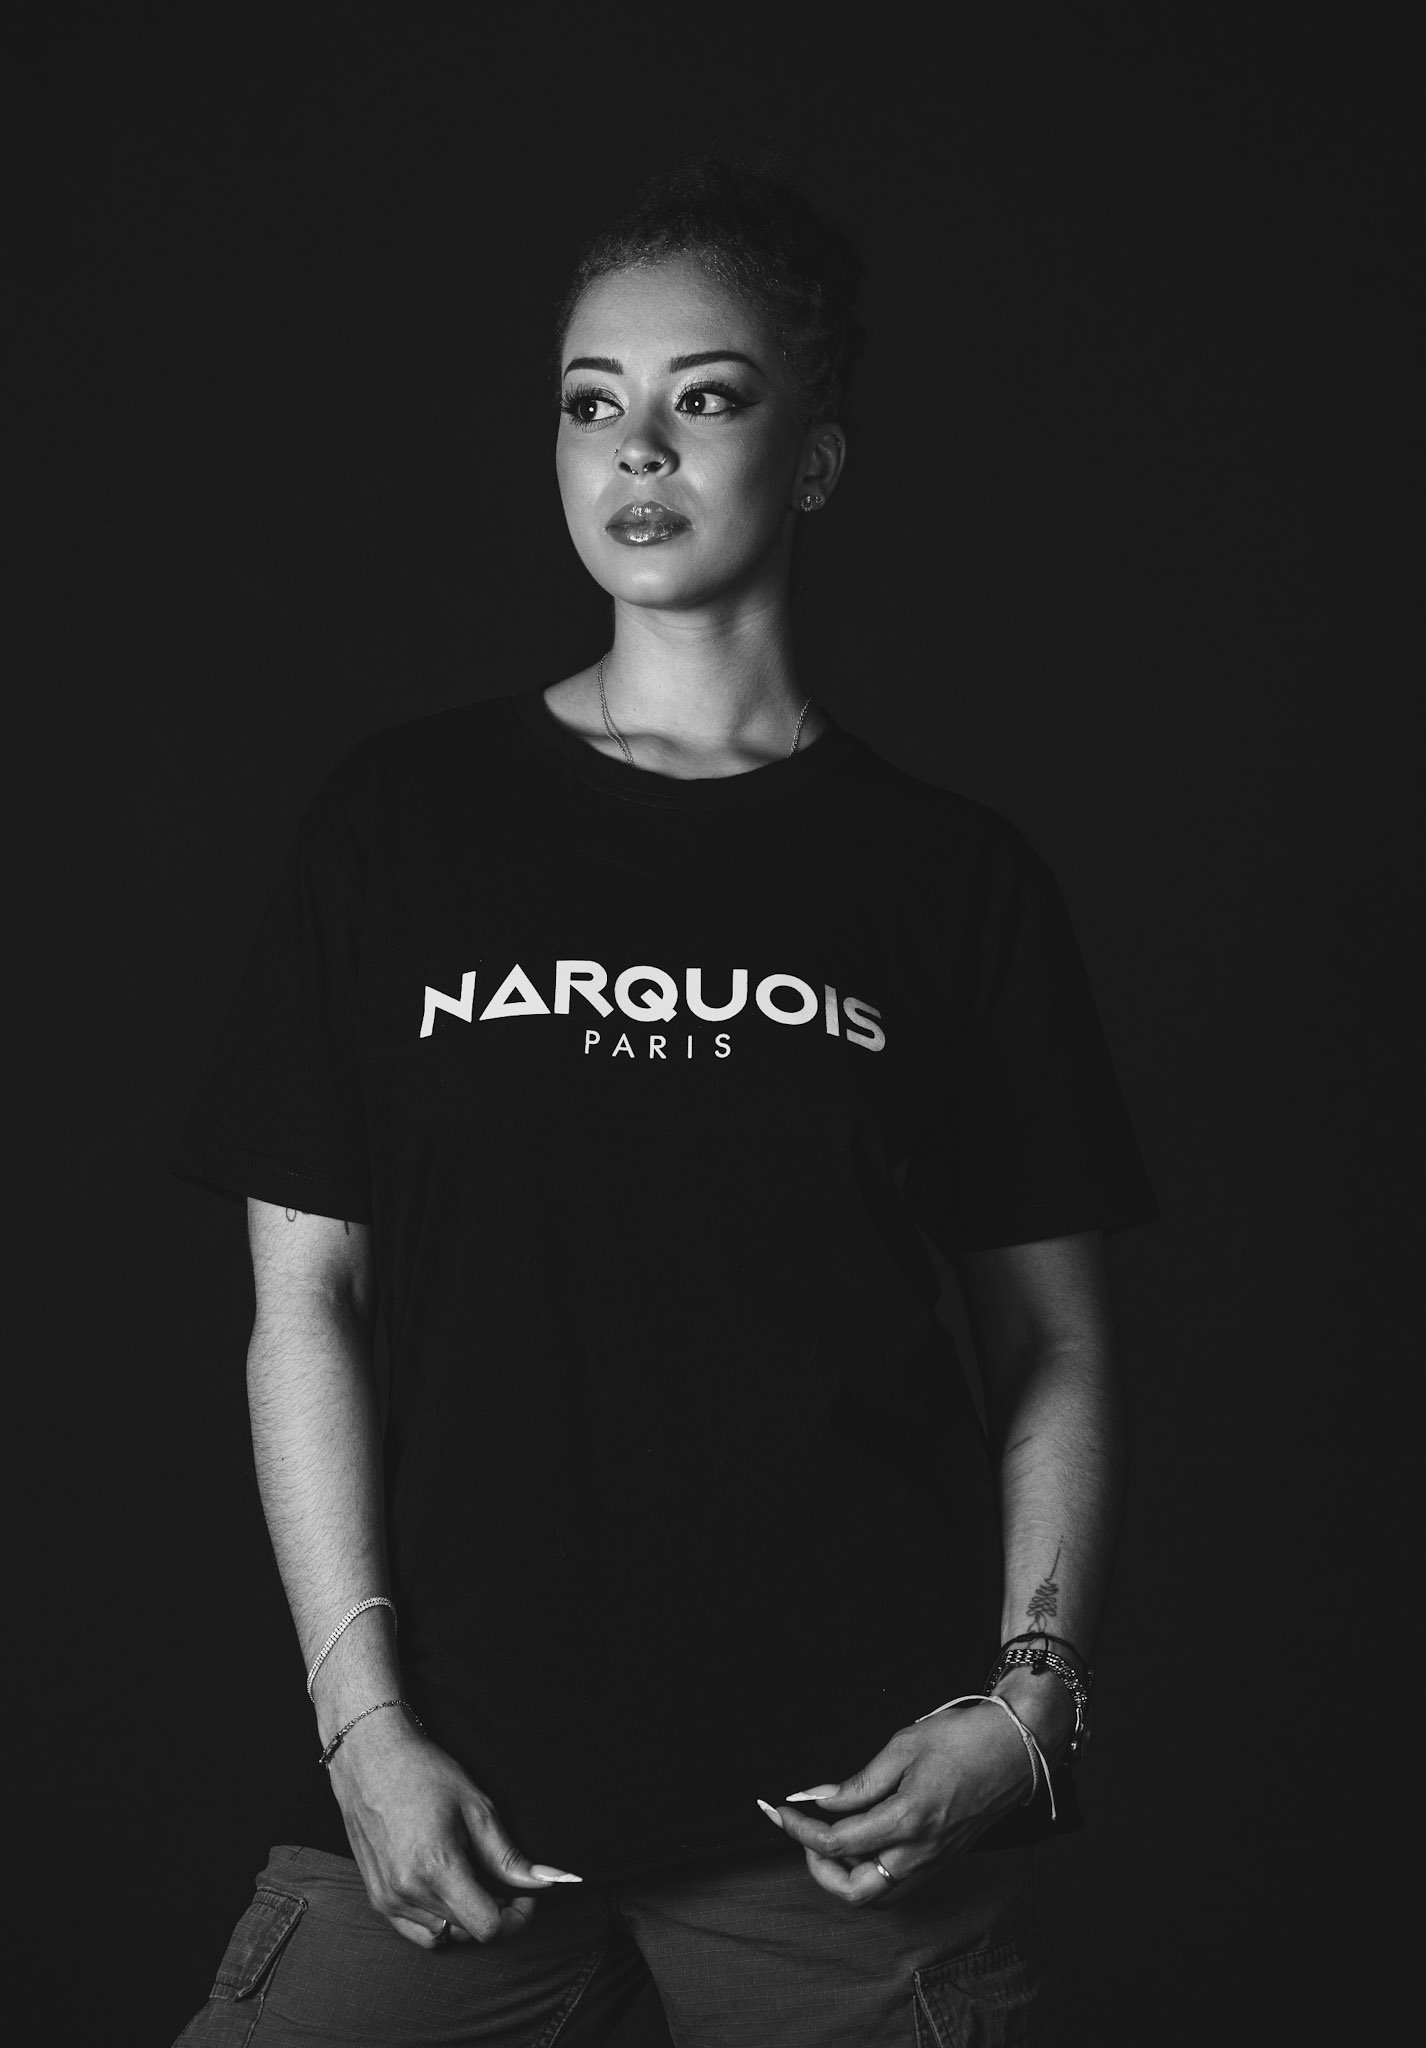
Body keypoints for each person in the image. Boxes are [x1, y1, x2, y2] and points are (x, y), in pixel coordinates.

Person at [171, 156, 1159, 2047]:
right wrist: (364, 1732)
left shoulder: (948, 879)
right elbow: (305, 1305)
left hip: (848, 1832)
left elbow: (1053, 1341)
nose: (636, 448)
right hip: (454, 1808)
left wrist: (1028, 1705)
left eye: (704, 397)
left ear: (815, 458)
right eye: (588, 401)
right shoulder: (402, 823)